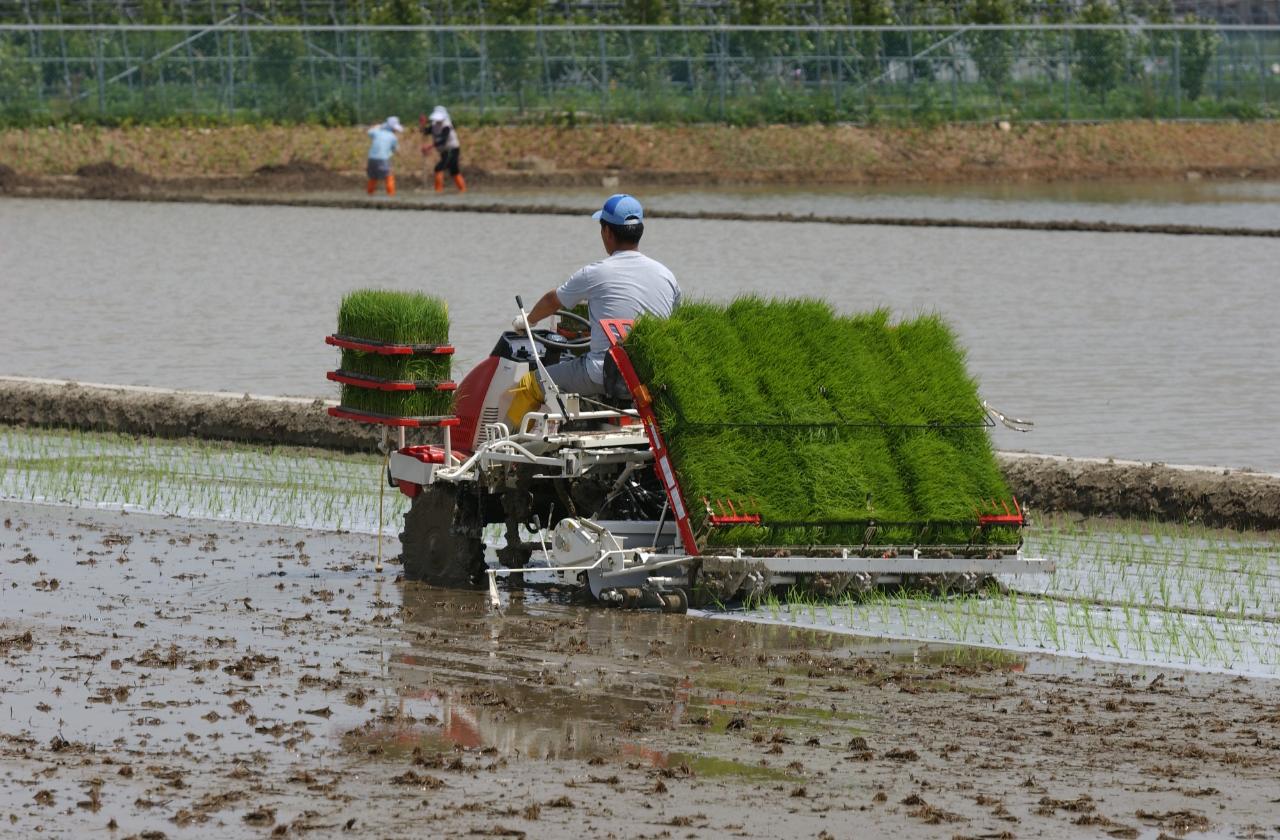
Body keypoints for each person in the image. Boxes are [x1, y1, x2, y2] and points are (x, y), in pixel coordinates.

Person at [507, 194, 680, 423]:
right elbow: (674, 320)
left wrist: (528, 321)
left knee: (530, 384)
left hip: (602, 373)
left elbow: (552, 300)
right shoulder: (667, 276)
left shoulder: (596, 272)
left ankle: (508, 452)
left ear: (607, 232)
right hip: (649, 376)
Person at [421, 105, 465, 193]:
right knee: (454, 170)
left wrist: (429, 147)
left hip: (452, 150)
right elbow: (425, 132)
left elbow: (443, 140)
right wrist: (422, 124)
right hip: (444, 151)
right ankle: (462, 190)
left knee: (438, 168)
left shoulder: (447, 126)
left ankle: (438, 191)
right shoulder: (434, 125)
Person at [365, 116, 402, 196]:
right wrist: (399, 155)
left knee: (373, 177)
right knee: (389, 176)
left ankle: (369, 194)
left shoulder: (377, 132)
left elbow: (369, 132)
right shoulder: (393, 137)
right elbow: (396, 150)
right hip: (383, 159)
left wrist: (377, 126)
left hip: (371, 158)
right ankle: (391, 195)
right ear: (393, 129)